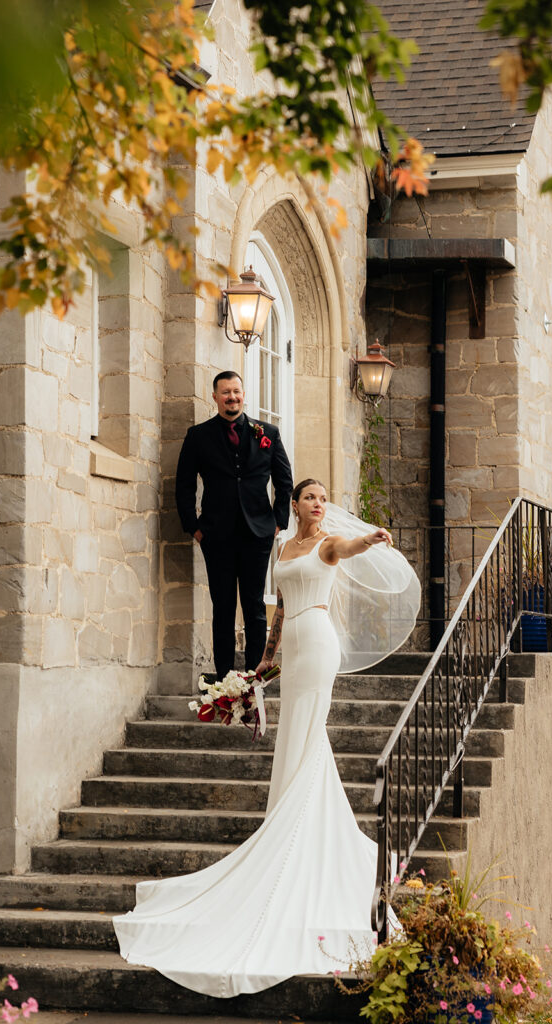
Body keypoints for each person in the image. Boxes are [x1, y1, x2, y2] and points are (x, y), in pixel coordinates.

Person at [113, 479, 420, 998]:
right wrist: (264, 659)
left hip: (319, 642)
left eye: (324, 498)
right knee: (293, 738)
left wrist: (368, 540)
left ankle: (299, 837)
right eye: (310, 498)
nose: (318, 505)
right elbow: (278, 607)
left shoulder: (328, 544)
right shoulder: (283, 545)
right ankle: (286, 824)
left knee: (310, 734)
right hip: (293, 646)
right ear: (295, 504)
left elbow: (345, 549)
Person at [174, 370, 293, 679]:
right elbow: (184, 485)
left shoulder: (268, 433)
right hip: (216, 535)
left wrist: (277, 523)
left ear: (244, 394)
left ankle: (254, 679)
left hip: (258, 534)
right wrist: (194, 527)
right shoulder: (198, 436)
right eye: (225, 392)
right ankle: (225, 681)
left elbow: (284, 481)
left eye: (236, 392)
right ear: (215, 397)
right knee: (223, 608)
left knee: (254, 607)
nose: (232, 397)